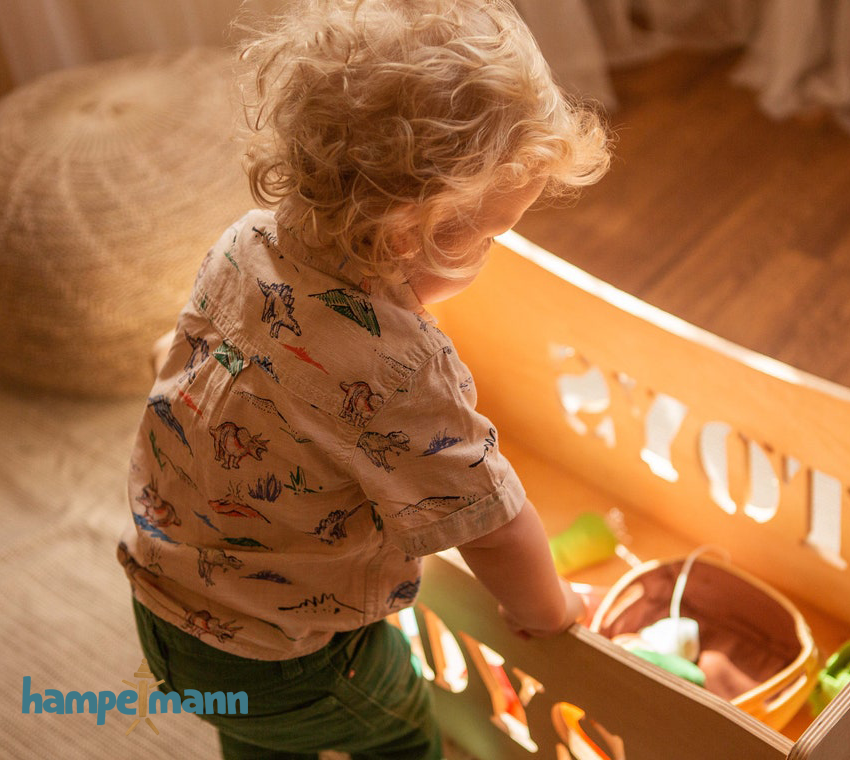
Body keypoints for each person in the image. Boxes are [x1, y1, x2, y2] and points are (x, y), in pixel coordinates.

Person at [117, 1, 610, 757]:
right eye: (487, 238)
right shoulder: (402, 370)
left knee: (258, 737)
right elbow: (494, 523)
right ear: (411, 230)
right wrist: (553, 611)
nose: (489, 257)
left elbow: (180, 355)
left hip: (165, 610)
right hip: (300, 659)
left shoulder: (244, 239)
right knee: (405, 731)